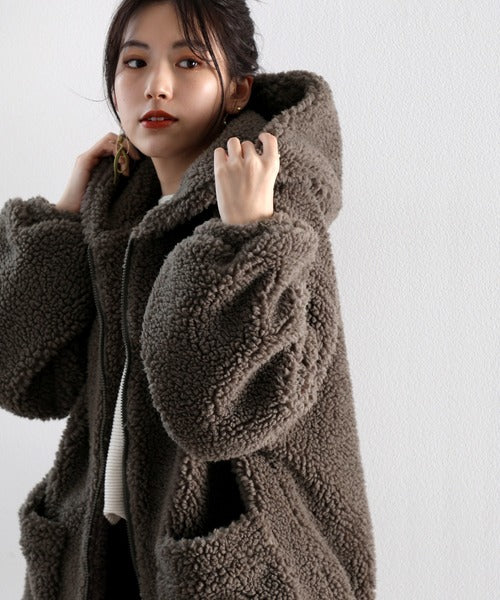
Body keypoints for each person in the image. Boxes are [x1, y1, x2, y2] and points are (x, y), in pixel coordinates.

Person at [0, 1, 377, 599]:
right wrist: (63, 221)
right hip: (107, 558)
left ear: (237, 89)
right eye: (134, 62)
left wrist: (244, 240)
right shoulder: (116, 216)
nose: (156, 85)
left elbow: (214, 415)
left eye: (189, 62)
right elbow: (23, 378)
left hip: (233, 567)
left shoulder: (275, 214)